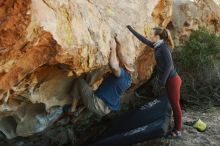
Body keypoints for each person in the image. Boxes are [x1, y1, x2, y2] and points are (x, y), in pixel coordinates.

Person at [127, 25, 182, 138]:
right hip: (169, 80)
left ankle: (178, 130)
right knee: (172, 103)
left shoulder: (164, 48)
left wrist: (162, 81)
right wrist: (131, 29)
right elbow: (144, 40)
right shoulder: (157, 45)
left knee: (175, 105)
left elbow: (169, 65)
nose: (150, 36)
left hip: (172, 80)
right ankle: (176, 125)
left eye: (152, 34)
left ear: (157, 36)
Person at [70, 35, 133, 117]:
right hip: (107, 109)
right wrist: (119, 44)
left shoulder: (122, 75)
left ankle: (72, 109)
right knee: (92, 87)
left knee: (79, 81)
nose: (120, 62)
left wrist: (113, 48)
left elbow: (113, 65)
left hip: (97, 104)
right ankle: (79, 112)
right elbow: (121, 56)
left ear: (125, 68)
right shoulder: (129, 79)